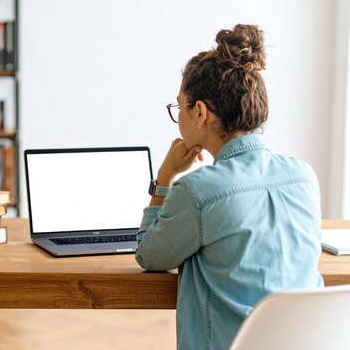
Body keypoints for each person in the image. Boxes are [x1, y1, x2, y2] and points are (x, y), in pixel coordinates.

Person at [135, 24, 323, 350]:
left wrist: (164, 178)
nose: (178, 116)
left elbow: (149, 254)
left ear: (200, 112)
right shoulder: (304, 177)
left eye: (179, 107)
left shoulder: (197, 191)